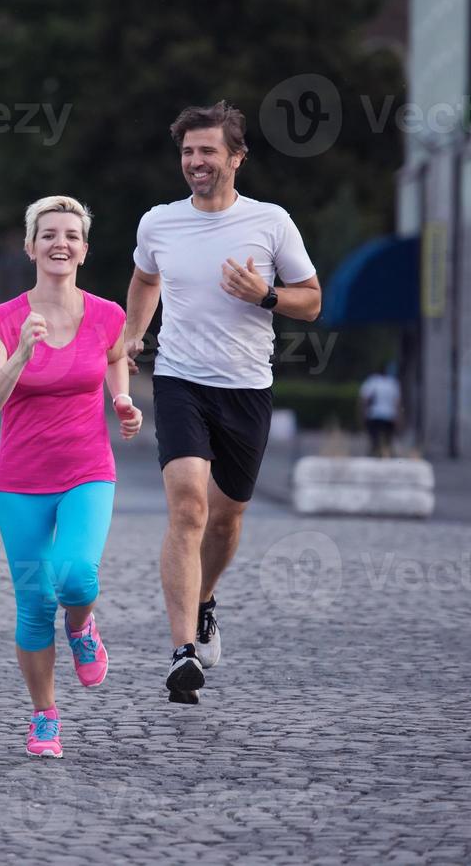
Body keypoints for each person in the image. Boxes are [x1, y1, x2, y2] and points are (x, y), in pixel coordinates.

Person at [123, 101, 321, 704]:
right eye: (187, 152)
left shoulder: (271, 223)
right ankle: (183, 650)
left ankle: (205, 601)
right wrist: (134, 335)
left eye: (208, 151)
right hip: (180, 382)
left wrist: (265, 295)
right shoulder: (159, 223)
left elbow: (311, 301)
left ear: (236, 156)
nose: (195, 162)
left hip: (247, 389)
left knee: (227, 516)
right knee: (187, 508)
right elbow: (145, 277)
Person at [0, 196, 142, 758]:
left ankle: (83, 626)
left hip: (87, 470)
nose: (59, 243)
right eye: (47, 235)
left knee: (74, 579)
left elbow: (116, 354)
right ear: (30, 247)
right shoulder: (1, 321)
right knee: (32, 603)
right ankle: (44, 715)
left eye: (70, 235)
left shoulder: (107, 314)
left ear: (84, 250)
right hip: (21, 479)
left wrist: (121, 398)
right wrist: (21, 351)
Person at [359, 362, 402, 457]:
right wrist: (398, 418)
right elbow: (397, 403)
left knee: (374, 442)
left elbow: (364, 400)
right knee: (388, 442)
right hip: (389, 416)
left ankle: (374, 456)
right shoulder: (393, 383)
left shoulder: (372, 382)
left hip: (374, 415)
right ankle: (388, 457)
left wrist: (363, 414)